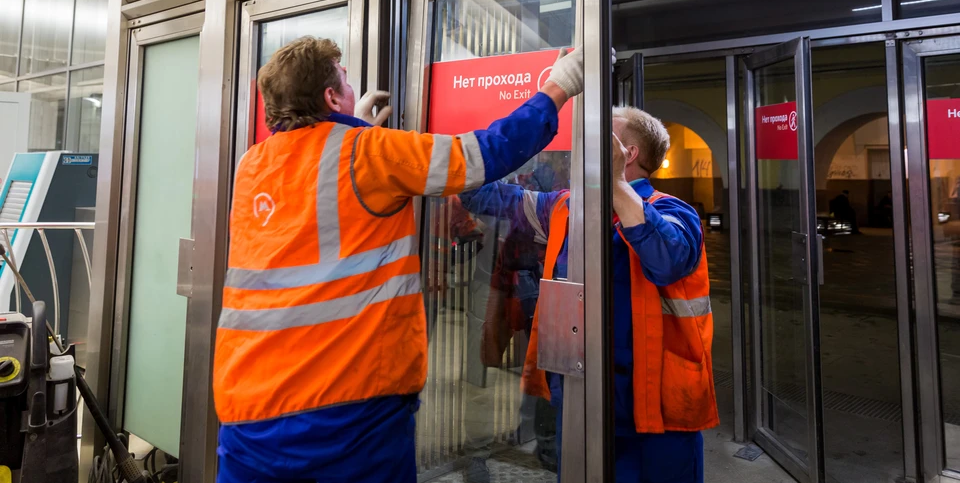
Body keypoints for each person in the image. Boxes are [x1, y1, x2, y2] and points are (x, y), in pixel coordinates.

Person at [212, 37, 585, 483]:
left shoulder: (252, 166)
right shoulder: (368, 152)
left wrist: (351, 127)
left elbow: (318, 212)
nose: (351, 87)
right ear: (331, 97)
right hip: (346, 410)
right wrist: (558, 89)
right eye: (345, 82)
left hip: (246, 408)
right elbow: (483, 153)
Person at [462, 106, 718, 483]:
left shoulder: (673, 210)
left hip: (657, 410)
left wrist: (614, 184)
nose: (582, 146)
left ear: (627, 153)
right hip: (581, 396)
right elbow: (479, 196)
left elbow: (666, 259)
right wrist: (516, 136)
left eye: (598, 137)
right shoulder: (565, 207)